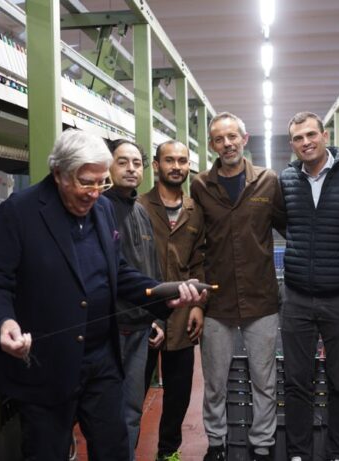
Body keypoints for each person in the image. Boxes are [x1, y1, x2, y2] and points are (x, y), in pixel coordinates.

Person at [0, 129, 207, 461]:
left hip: (101, 361)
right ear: (59, 173)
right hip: (47, 365)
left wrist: (159, 295)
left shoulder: (102, 209)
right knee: (47, 452)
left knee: (114, 449)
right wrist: (4, 322)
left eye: (102, 183)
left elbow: (118, 272)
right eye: (86, 183)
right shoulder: (20, 212)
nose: (95, 193)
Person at [190, 112, 286, 461]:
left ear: (244, 139)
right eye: (219, 139)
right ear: (212, 145)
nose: (227, 144)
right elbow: (195, 242)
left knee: (264, 380)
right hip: (217, 300)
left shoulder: (267, 181)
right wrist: (197, 299)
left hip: (261, 298)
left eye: (233, 137)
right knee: (215, 382)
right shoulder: (200, 185)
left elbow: (290, 226)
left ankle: (262, 444)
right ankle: (216, 443)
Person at [279, 112, 339, 461]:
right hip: (297, 296)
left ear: (324, 135)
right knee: (296, 381)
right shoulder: (287, 179)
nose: (306, 142)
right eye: (298, 138)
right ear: (292, 144)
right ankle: (298, 452)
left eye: (311, 134)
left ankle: (337, 452)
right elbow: (285, 222)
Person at [140, 140, 206, 461]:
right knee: (133, 391)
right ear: (156, 165)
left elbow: (199, 261)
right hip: (143, 314)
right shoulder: (138, 207)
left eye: (182, 160)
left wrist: (198, 306)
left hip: (182, 314)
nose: (176, 166)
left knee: (178, 392)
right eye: (170, 160)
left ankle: (168, 453)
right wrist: (144, 314)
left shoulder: (195, 211)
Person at [104, 138, 163, 460]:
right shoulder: (100, 209)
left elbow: (151, 267)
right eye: (122, 162)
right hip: (110, 328)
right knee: (106, 409)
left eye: (137, 163)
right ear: (109, 166)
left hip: (140, 328)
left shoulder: (140, 211)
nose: (131, 169)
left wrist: (157, 317)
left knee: (131, 408)